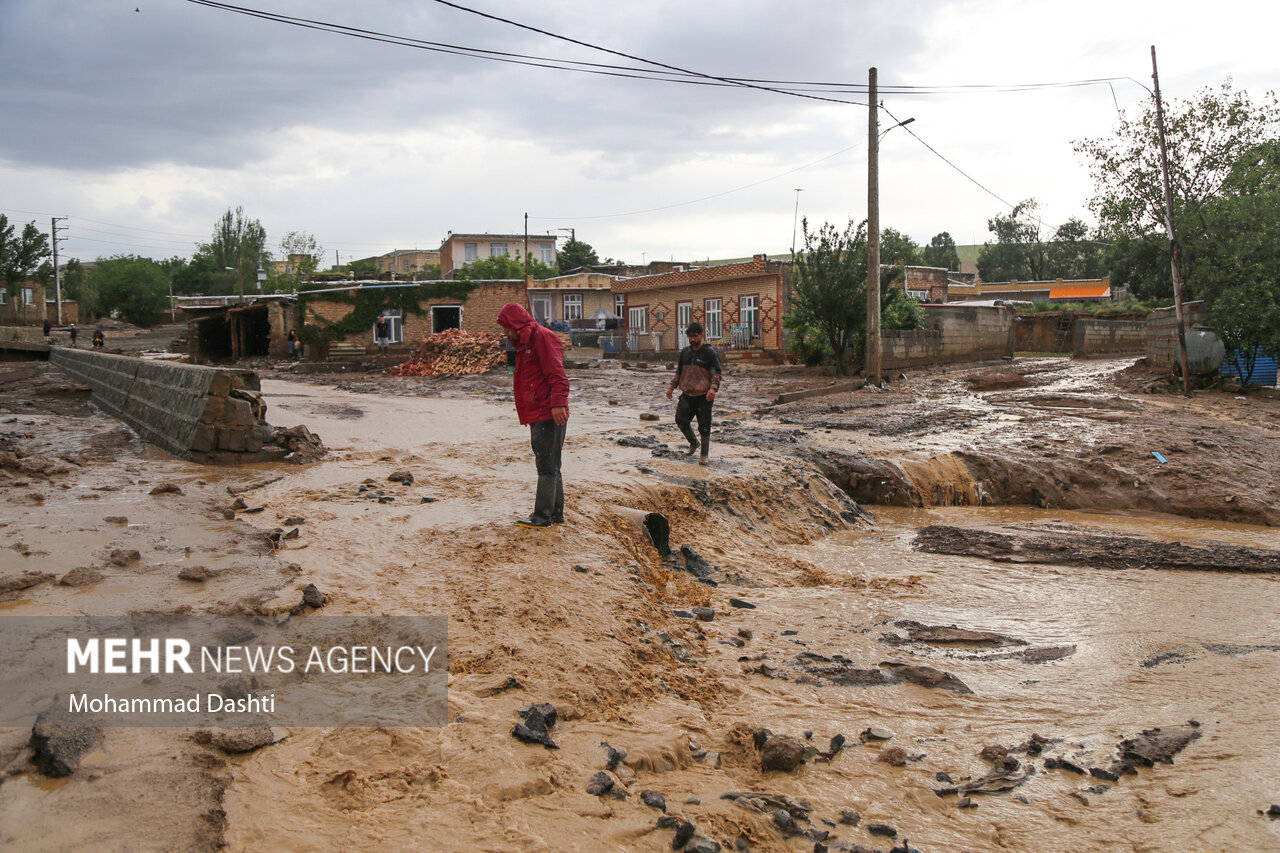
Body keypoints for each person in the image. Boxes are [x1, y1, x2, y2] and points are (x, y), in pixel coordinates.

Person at [497, 302, 570, 529]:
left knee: (546, 464)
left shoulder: (541, 338)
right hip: (540, 411)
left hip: (547, 411)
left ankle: (542, 517)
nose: (506, 333)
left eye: (507, 328)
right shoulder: (525, 341)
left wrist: (557, 404)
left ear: (516, 324)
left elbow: (557, 375)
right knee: (551, 461)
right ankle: (555, 513)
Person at [666, 321, 722, 466]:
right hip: (687, 395)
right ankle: (693, 442)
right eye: (690, 337)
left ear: (701, 336)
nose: (692, 339)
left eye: (695, 336)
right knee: (680, 420)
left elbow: (716, 372)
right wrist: (672, 387)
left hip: (703, 396)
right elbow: (679, 371)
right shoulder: (685, 352)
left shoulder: (709, 353)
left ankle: (704, 456)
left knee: (704, 426)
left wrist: (713, 388)